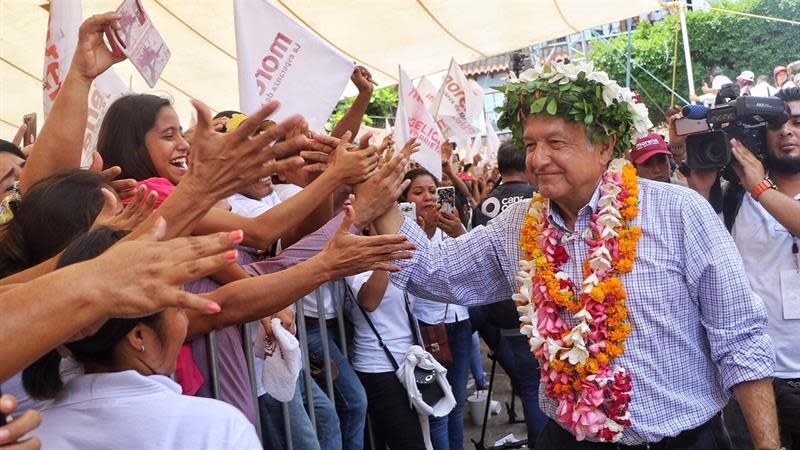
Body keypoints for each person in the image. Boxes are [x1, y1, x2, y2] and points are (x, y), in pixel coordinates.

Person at [360, 62, 779, 449]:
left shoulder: (679, 212)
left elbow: (740, 336)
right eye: (530, 144)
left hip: (685, 441)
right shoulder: (519, 225)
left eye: (555, 143)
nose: (537, 160)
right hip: (569, 438)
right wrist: (376, 197)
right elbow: (436, 271)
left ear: (605, 146)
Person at [23, 228, 262, 450]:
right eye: (179, 308)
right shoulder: (218, 430)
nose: (187, 321)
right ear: (138, 336)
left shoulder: (31, 437)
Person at [697, 87, 800, 449]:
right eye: (776, 123)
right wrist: (702, 189)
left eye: (798, 123)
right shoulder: (735, 194)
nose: (787, 131)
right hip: (754, 377)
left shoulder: (753, 188)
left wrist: (760, 187)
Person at [468, 141, 546, 441]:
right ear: (528, 164)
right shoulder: (541, 199)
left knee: (529, 384)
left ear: (499, 168)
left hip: (501, 312)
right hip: (541, 309)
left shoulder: (484, 205)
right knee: (537, 387)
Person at [399, 168, 470, 450]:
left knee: (458, 401)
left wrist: (459, 232)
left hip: (460, 323)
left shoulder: (451, 226)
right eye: (418, 192)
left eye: (432, 190)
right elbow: (410, 276)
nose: (428, 197)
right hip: (426, 329)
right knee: (438, 405)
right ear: (405, 200)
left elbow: (471, 267)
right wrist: (425, 231)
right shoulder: (405, 233)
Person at [344, 269, 426, 449]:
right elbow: (369, 301)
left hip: (413, 362)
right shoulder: (359, 257)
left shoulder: (403, 253)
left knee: (435, 423)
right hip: (379, 367)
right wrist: (389, 256)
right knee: (410, 443)